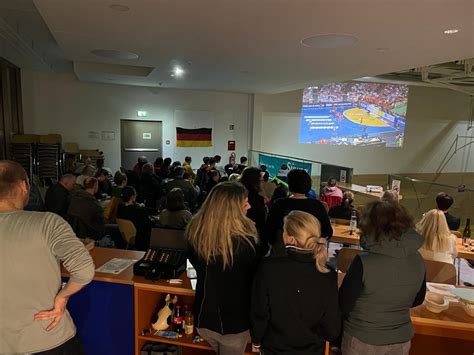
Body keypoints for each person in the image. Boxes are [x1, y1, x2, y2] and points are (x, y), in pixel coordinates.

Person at [0, 160, 95, 354]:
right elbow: (84, 270)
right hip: (46, 337)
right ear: (22, 186)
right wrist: (62, 297)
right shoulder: (47, 222)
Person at [339, 200, 426, 355]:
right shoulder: (417, 258)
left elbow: (344, 304)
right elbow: (418, 299)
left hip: (362, 338)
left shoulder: (363, 262)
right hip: (400, 339)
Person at [251, 211, 340, 354]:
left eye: (284, 231)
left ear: (290, 239)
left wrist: (256, 340)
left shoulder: (268, 268)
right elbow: (332, 329)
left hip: (274, 349)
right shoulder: (327, 274)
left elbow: (260, 313)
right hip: (312, 349)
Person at [186, 182, 259, 355]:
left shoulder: (195, 234)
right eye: (245, 203)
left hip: (204, 319)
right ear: (232, 210)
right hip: (235, 325)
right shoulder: (245, 244)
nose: (249, 205)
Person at [264, 169, 332, 255]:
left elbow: (269, 231)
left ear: (290, 184)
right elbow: (327, 233)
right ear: (308, 184)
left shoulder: (279, 204)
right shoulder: (317, 206)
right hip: (309, 255)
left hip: (281, 254)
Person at [117, 186, 154, 251]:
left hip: (126, 236)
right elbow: (149, 223)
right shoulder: (139, 210)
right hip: (140, 238)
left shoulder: (119, 208)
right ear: (132, 197)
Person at [240, 167, 267, 237]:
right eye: (261, 181)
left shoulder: (244, 194)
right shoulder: (252, 199)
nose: (263, 183)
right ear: (254, 182)